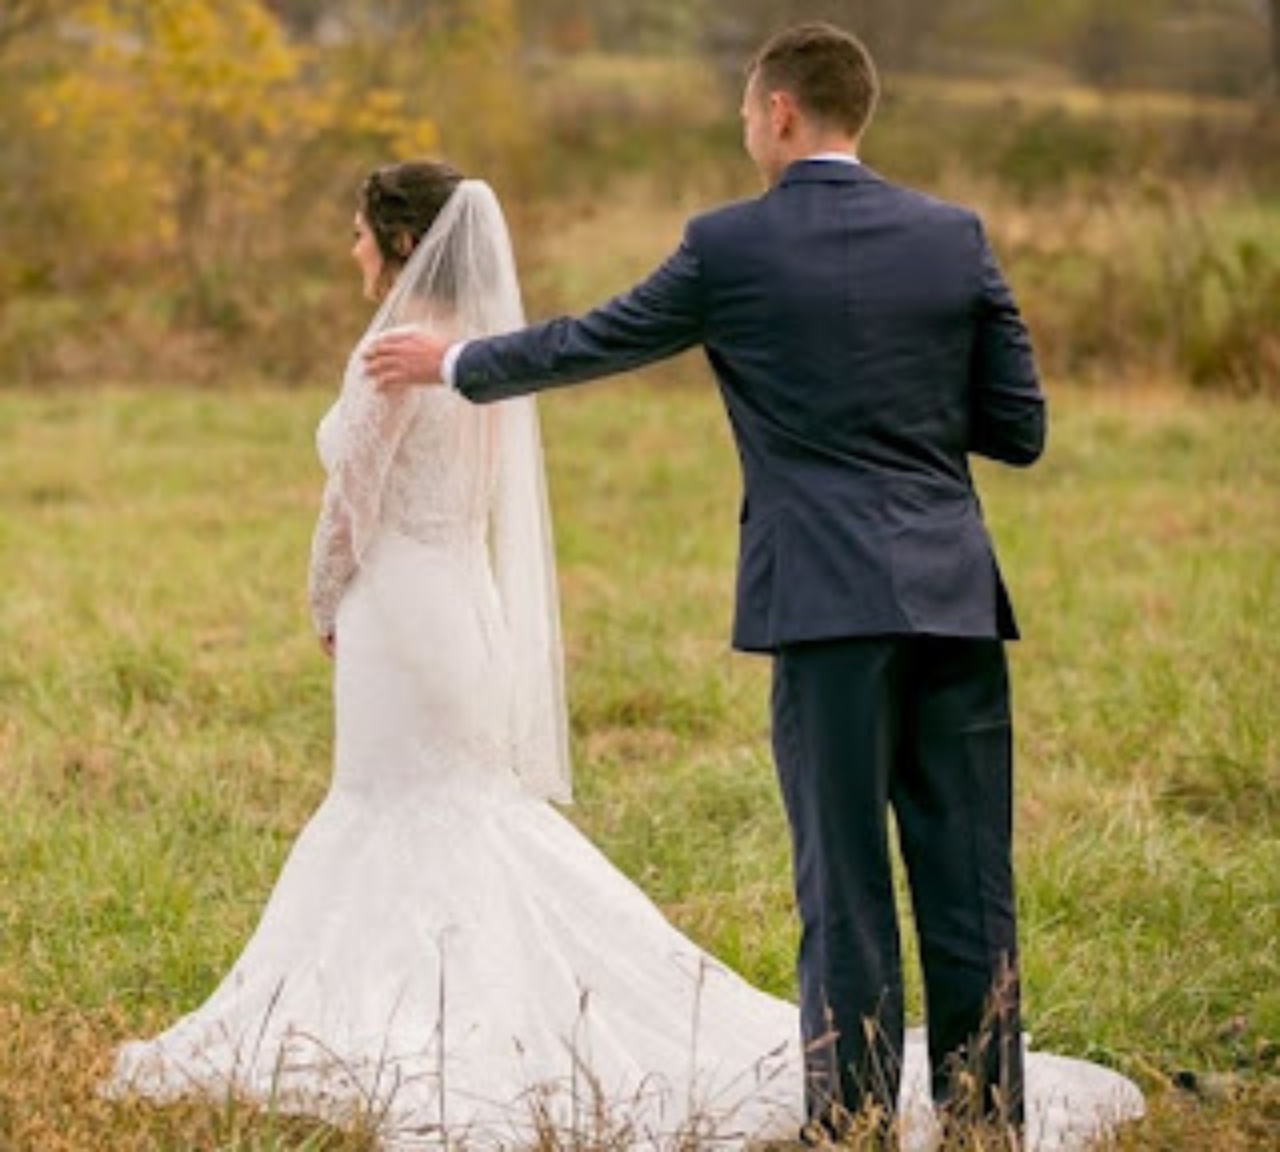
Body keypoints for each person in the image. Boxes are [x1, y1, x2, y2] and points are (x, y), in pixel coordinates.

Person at [363, 23, 1145, 1148]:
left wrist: (454, 362)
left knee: (844, 885)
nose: (742, 131)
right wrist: (907, 419)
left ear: (779, 110)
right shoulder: (953, 236)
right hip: (953, 598)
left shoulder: (729, 248)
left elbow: (597, 341)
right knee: (969, 879)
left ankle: (854, 1124)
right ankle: (983, 1123)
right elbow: (1016, 431)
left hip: (823, 608)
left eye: (743, 114)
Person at [106, 161, 804, 1147]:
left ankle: (432, 1023)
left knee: (394, 808)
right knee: (462, 811)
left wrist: (321, 603)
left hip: (398, 610)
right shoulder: (475, 355)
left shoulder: (389, 353)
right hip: (463, 605)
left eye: (358, 230)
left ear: (398, 243)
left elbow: (353, 498)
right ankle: (484, 1001)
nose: (348, 247)